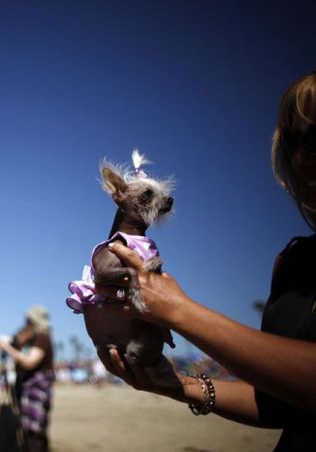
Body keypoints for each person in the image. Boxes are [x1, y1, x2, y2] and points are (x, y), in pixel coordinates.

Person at [94, 71, 316, 451]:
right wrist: (181, 387)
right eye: (292, 142)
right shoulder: (293, 263)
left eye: (314, 138)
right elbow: (280, 403)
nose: (299, 158)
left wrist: (179, 312)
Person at [0, 305, 55, 452]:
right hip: (29, 388)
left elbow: (30, 362)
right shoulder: (33, 338)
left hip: (36, 389)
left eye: (28, 320)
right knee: (26, 429)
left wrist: (7, 348)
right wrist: (16, 341)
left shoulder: (42, 337)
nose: (25, 323)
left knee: (33, 431)